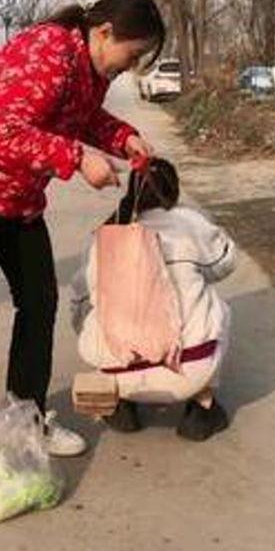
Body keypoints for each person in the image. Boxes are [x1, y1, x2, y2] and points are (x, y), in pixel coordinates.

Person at [0, 0, 165, 500]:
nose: (129, 67)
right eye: (132, 54)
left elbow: (83, 118)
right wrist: (77, 159)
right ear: (104, 32)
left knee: (39, 302)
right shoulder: (47, 51)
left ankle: (27, 418)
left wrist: (122, 138)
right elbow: (2, 131)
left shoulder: (90, 71)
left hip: (17, 202)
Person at [70, 158, 236, 440]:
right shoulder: (189, 223)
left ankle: (122, 404)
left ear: (131, 191)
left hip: (116, 370)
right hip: (189, 371)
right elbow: (225, 263)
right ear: (174, 191)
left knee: (91, 308)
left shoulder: (105, 235)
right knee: (218, 308)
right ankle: (201, 407)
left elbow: (80, 301)